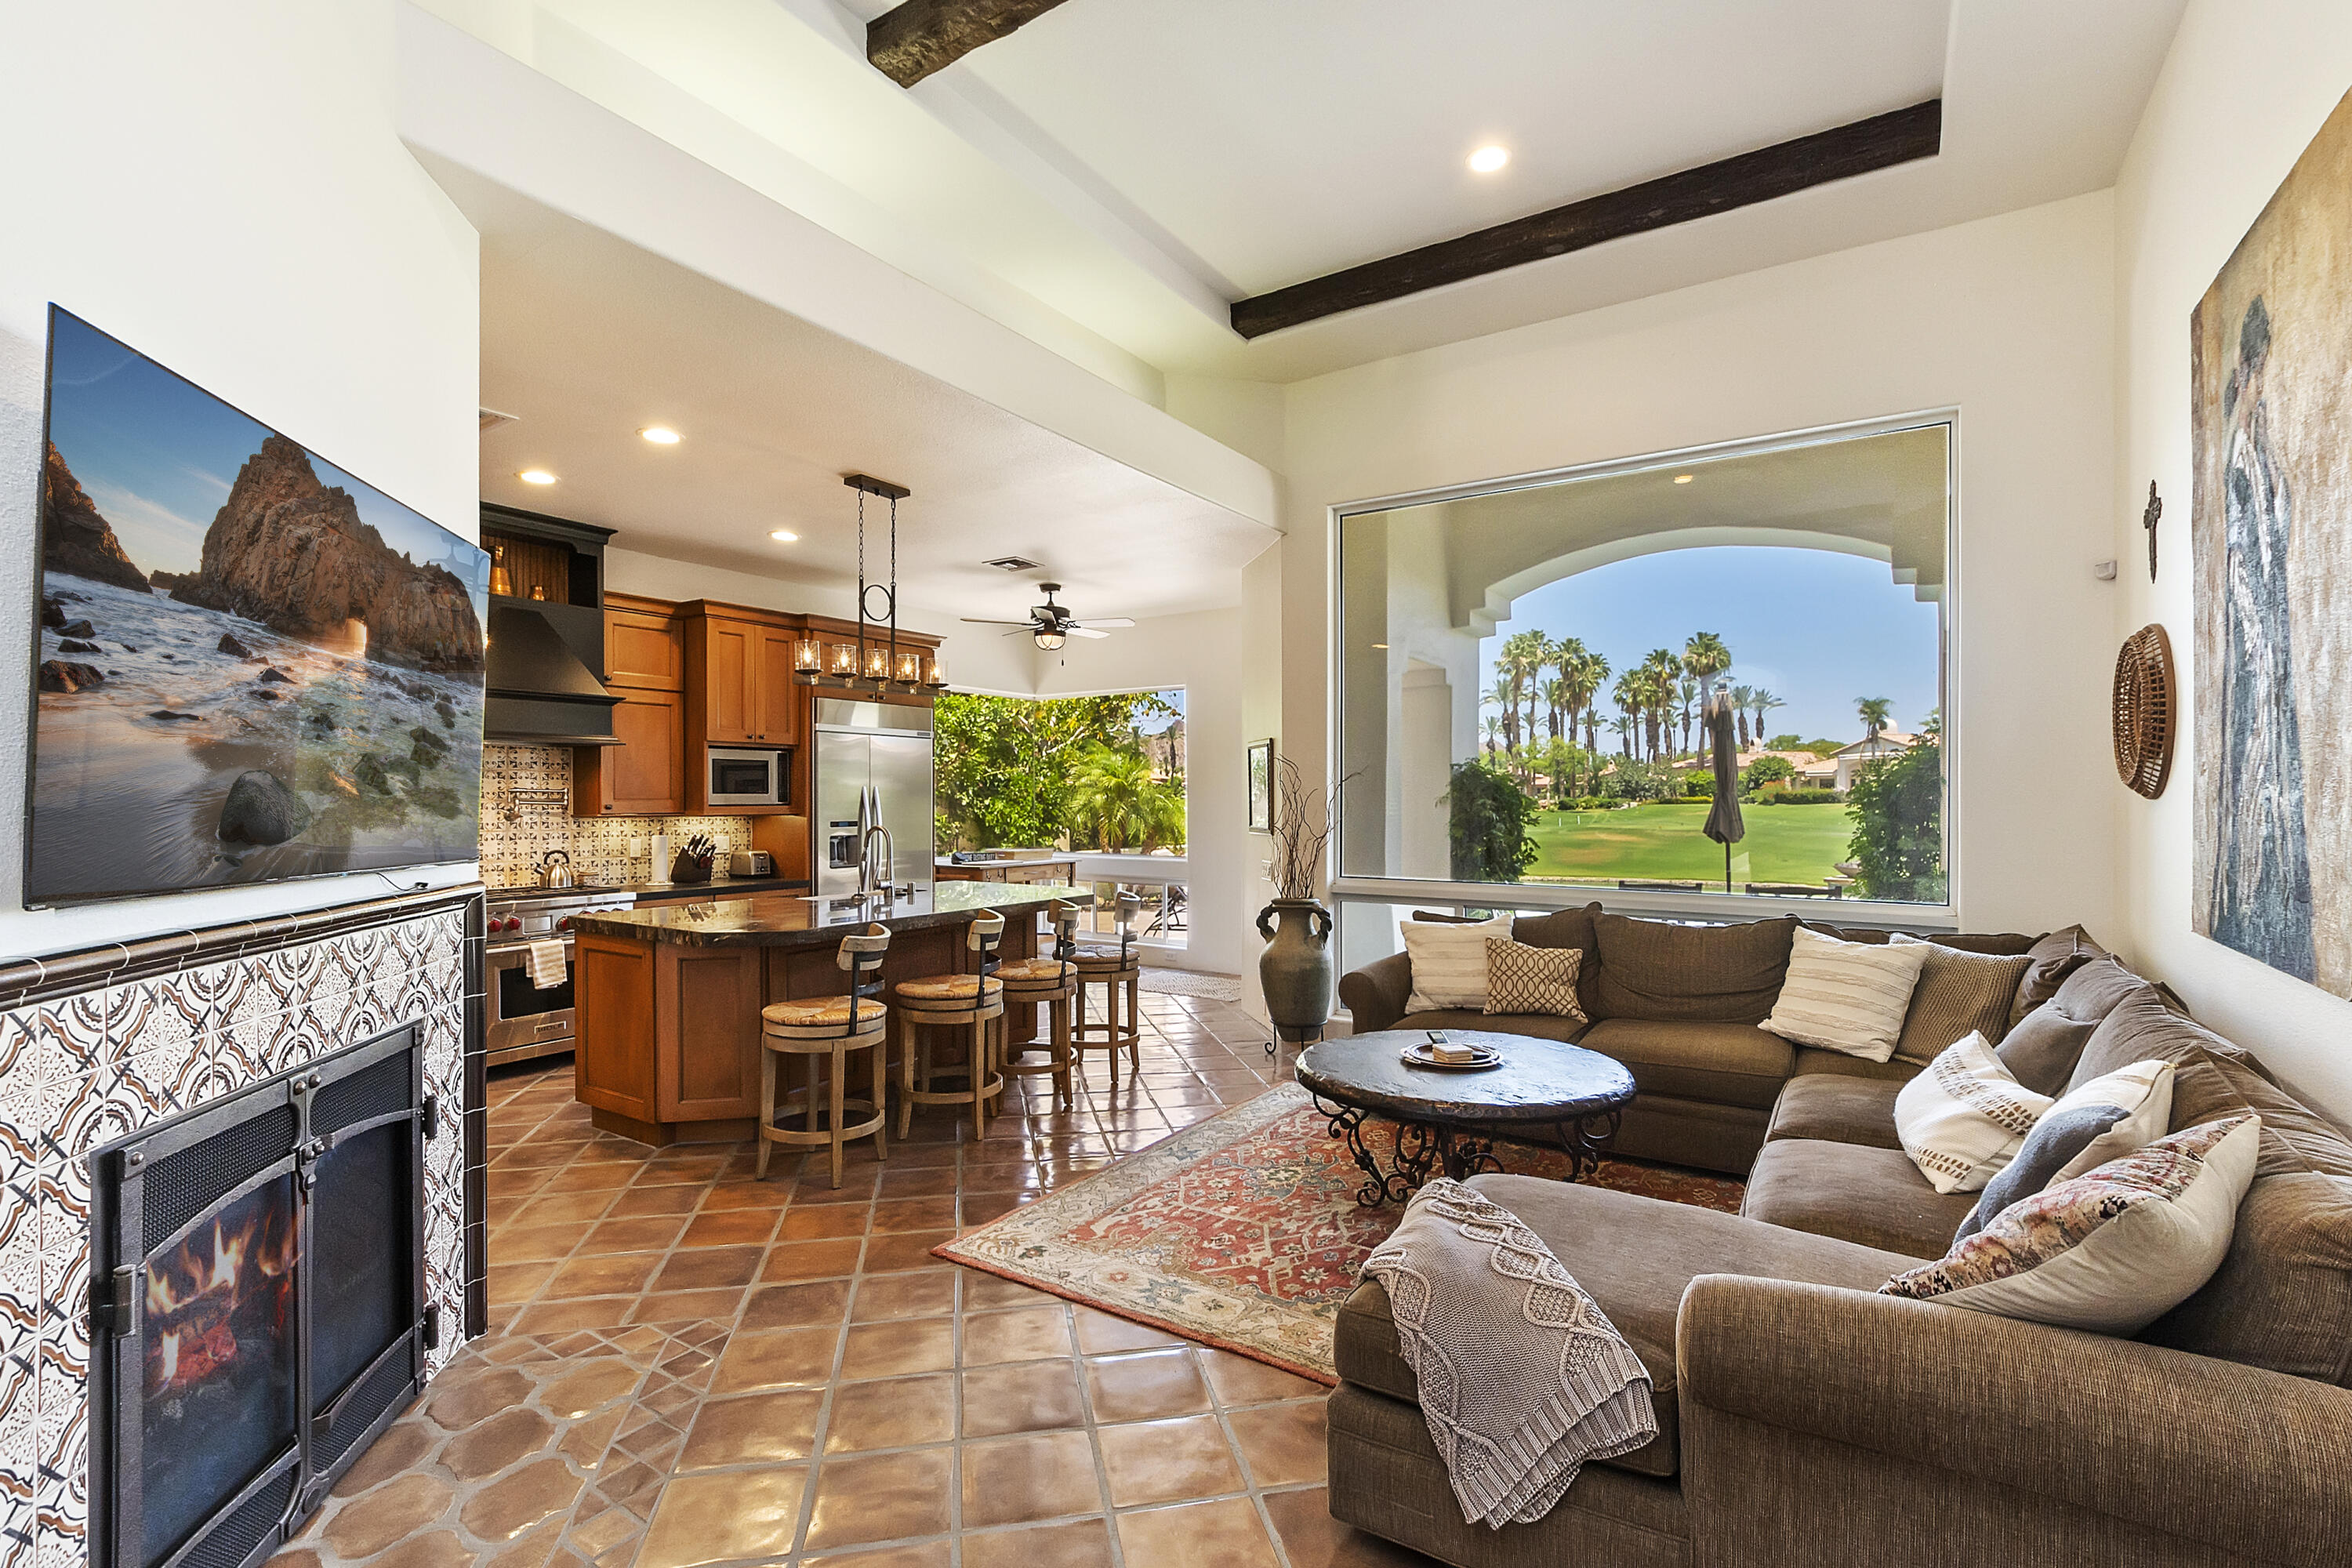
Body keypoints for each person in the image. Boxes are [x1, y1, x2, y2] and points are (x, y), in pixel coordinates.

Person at [2209, 294, 2315, 979]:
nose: (2267, 374)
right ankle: (2255, 894)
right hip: (2256, 634)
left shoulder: (2255, 434)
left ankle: (2271, 898)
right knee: (2258, 757)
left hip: (2264, 631)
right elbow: (2248, 552)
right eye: (2263, 362)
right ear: (2252, 364)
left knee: (2270, 758)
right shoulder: (2239, 445)